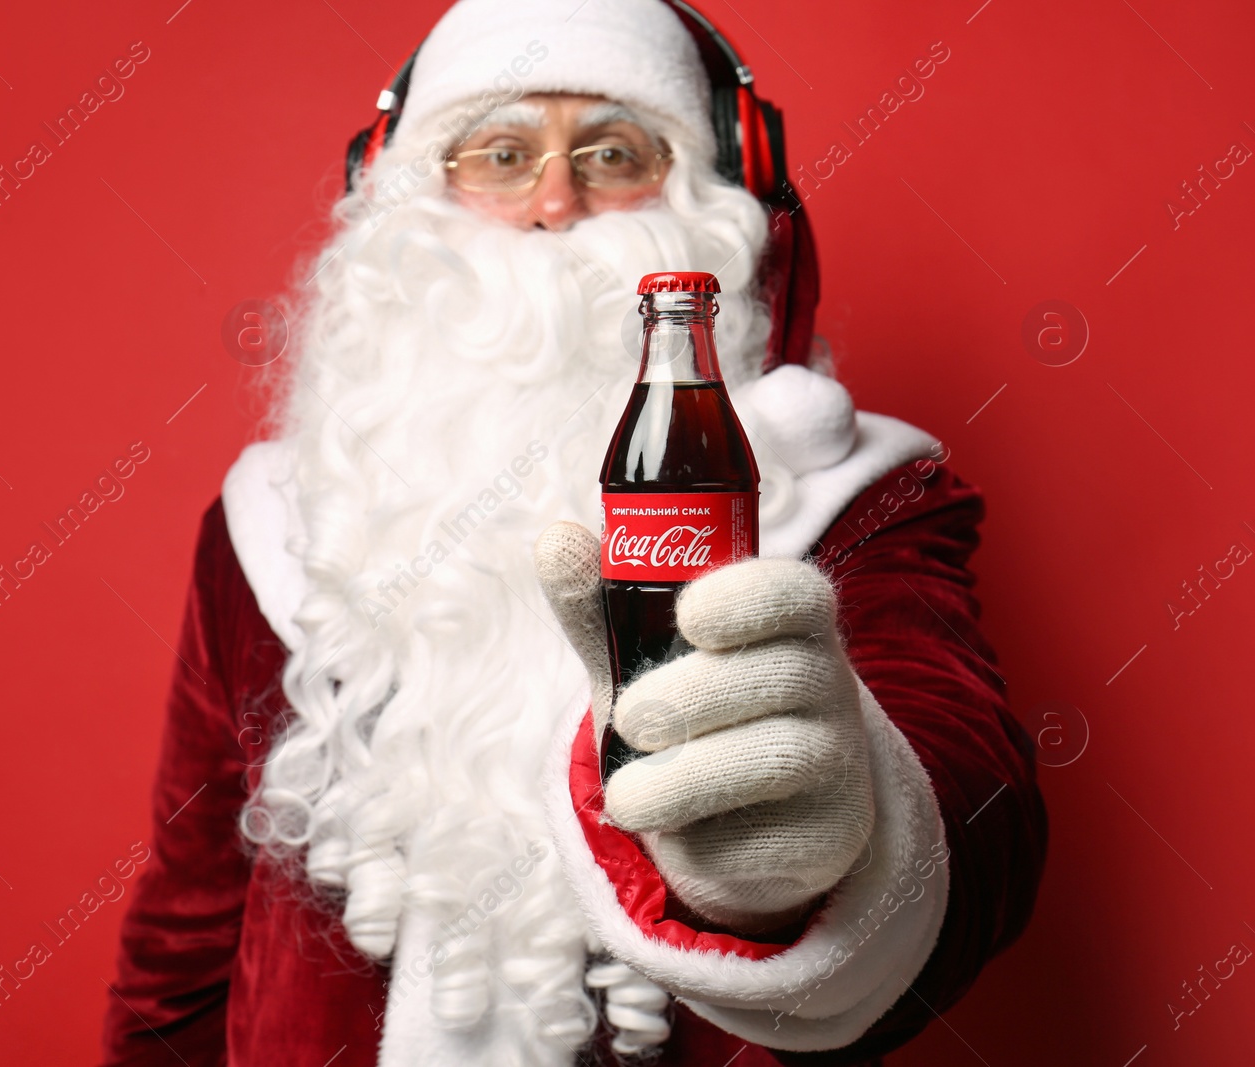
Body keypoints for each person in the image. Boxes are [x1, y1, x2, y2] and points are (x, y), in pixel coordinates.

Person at [99, 1, 1046, 1064]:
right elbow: (186, 927)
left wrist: (823, 831)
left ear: (715, 191)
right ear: (404, 198)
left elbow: (978, 808)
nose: (556, 203)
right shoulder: (273, 525)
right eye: (500, 154)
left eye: (612, 152)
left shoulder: (854, 495)